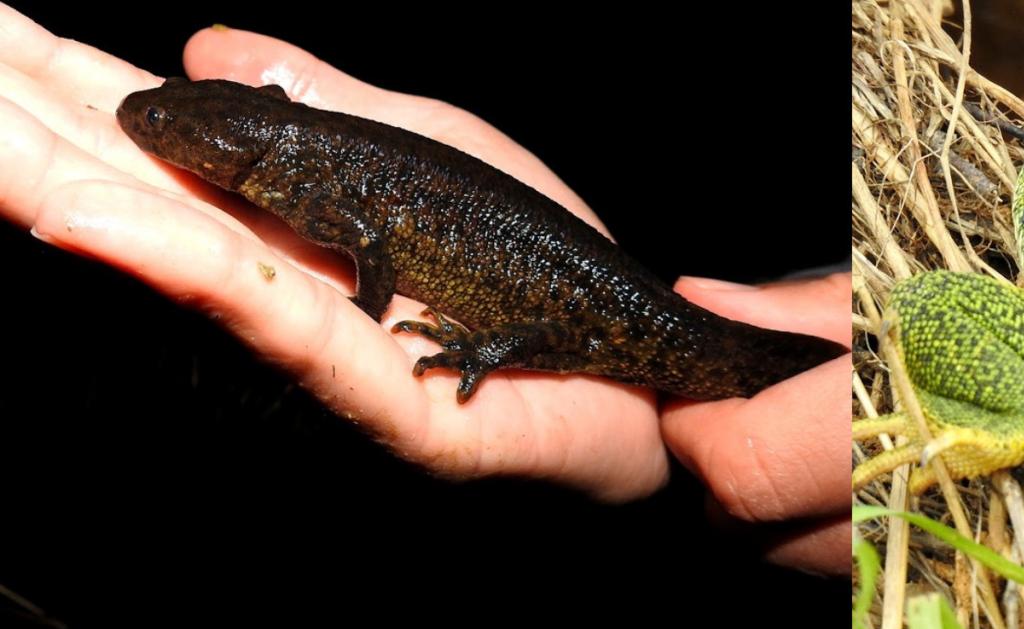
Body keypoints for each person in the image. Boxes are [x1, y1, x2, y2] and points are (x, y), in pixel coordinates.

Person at [2, 11, 850, 574]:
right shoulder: (274, 155)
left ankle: (489, 347)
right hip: (620, 310)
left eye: (162, 125)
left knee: (611, 341)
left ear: (220, 148)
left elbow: (367, 240)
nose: (145, 123)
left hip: (613, 315)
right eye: (157, 119)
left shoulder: (291, 169)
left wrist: (373, 317)